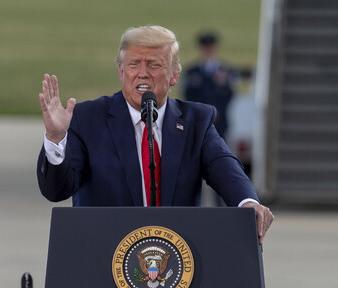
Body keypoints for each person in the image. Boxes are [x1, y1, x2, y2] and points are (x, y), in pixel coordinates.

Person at [37, 25, 273, 244]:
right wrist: (56, 139)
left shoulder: (196, 122)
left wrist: (248, 202)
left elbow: (223, 165)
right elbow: (57, 191)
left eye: (154, 64)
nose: (142, 73)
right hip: (104, 255)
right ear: (121, 72)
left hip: (177, 263)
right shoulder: (87, 118)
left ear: (174, 75)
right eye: (133, 64)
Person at [183, 31, 236, 141]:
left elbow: (230, 93)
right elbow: (188, 95)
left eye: (210, 47)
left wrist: (217, 111)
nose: (208, 50)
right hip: (198, 119)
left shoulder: (226, 70)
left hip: (220, 120)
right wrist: (203, 111)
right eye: (206, 47)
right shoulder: (192, 71)